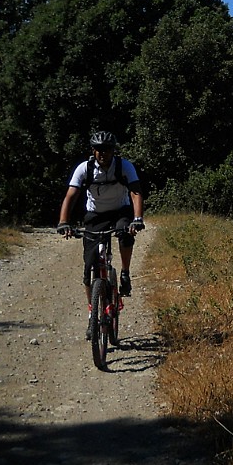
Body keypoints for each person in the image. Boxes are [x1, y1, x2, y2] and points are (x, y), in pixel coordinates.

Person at [57, 131, 145, 338]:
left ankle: (124, 272)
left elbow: (135, 192)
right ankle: (92, 315)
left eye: (106, 149)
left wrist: (137, 219)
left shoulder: (124, 166)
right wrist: (63, 222)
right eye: (98, 149)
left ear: (113, 150)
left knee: (125, 234)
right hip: (94, 215)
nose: (102, 153)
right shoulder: (84, 169)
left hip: (120, 212)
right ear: (93, 151)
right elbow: (71, 195)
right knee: (89, 269)